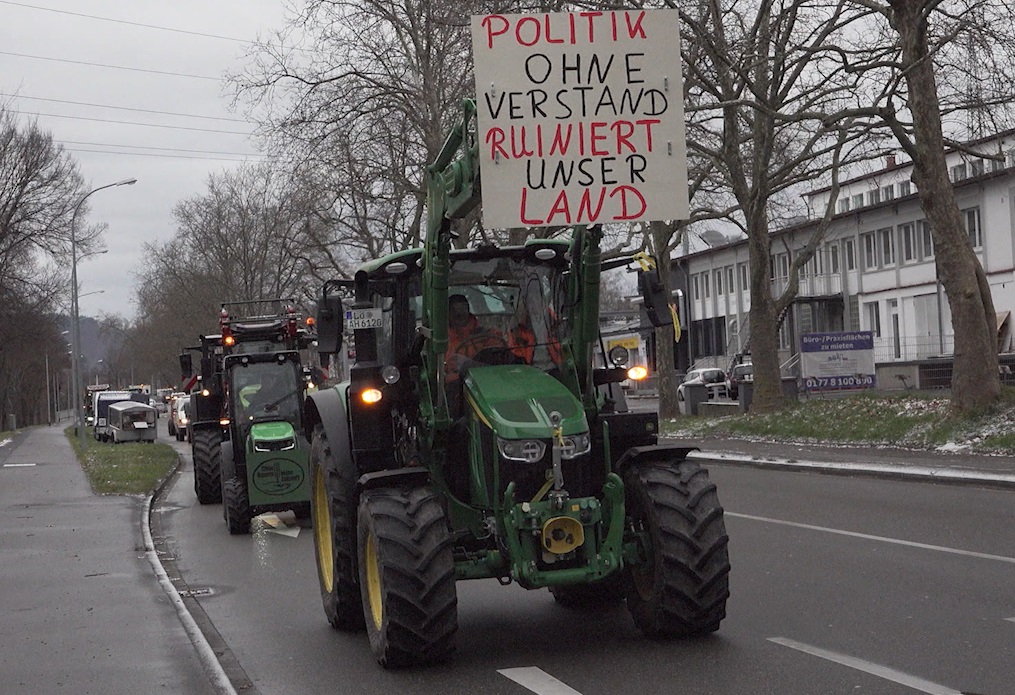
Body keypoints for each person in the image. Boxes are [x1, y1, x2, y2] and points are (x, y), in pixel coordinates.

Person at [445, 294, 504, 381]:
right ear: (448, 314)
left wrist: (469, 365)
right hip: (459, 386)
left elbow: (501, 367)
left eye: (462, 309)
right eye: (454, 310)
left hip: (490, 381)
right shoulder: (443, 342)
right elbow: (442, 376)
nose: (459, 314)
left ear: (468, 311)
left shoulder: (488, 336)